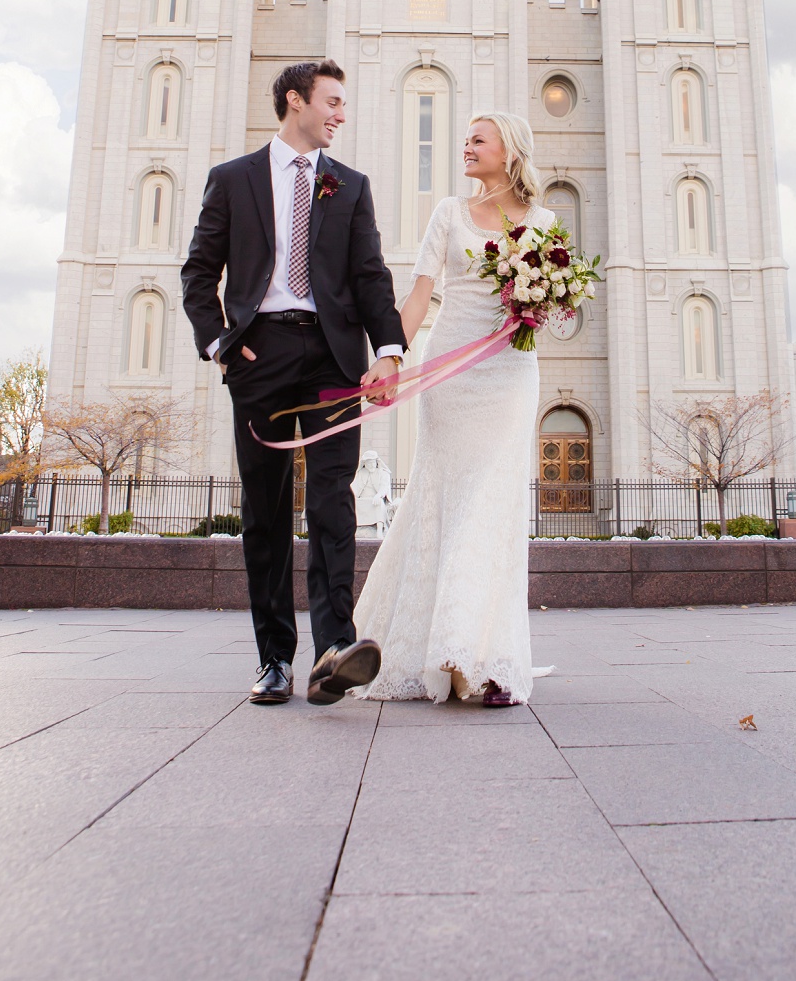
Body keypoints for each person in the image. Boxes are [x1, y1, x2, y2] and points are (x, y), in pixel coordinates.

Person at [180, 60, 405, 707]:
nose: (340, 113)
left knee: (333, 499)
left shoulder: (350, 187)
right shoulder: (233, 180)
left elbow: (370, 277)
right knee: (266, 509)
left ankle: (334, 649)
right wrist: (222, 344)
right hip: (261, 354)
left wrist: (387, 350)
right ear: (295, 101)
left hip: (335, 359)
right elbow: (199, 272)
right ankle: (274, 657)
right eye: (332, 101)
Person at [352, 112, 546, 707]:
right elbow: (417, 296)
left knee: (493, 504)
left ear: (510, 151)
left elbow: (547, 313)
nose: (466, 147)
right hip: (450, 376)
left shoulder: (545, 223)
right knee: (447, 500)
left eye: (478, 139)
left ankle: (480, 655)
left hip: (510, 376)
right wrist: (390, 358)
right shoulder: (448, 214)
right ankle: (451, 652)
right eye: (464, 139)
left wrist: (542, 305)